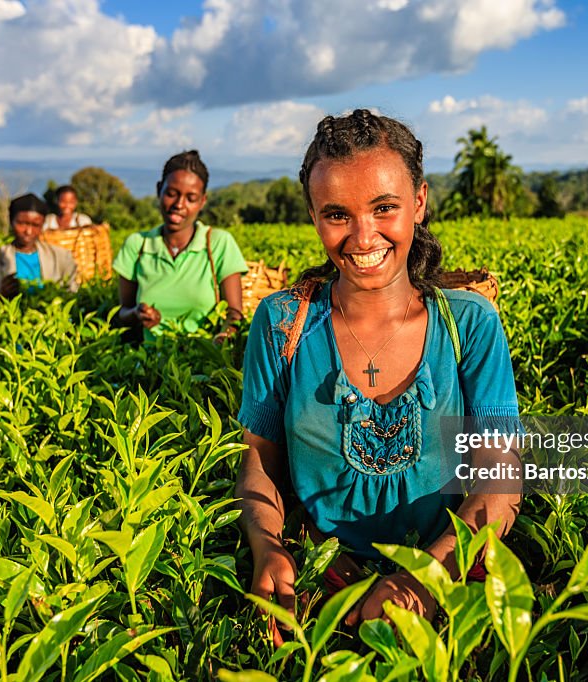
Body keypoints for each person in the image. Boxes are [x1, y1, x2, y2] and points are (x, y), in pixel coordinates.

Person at [236, 110, 522, 646]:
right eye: (337, 214)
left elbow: (498, 478)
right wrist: (267, 546)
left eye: (384, 207)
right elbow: (259, 463)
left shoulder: (469, 323)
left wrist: (427, 578)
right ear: (314, 217)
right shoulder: (281, 324)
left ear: (419, 202)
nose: (363, 236)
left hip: (451, 570)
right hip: (320, 578)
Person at [112, 150, 247, 342]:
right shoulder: (137, 245)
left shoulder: (218, 243)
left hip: (206, 363)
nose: (179, 204)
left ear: (202, 201)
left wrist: (223, 339)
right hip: (149, 364)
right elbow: (122, 313)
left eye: (191, 198)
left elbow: (234, 313)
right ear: (159, 190)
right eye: (171, 194)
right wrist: (137, 313)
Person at [0, 193, 78, 297]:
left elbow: (71, 293)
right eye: (22, 223)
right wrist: (1, 296)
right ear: (11, 221)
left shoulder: (62, 257)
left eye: (36, 225)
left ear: (43, 225)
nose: (28, 231)